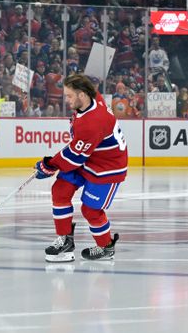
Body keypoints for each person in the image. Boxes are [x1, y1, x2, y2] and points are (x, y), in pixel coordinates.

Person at [34, 74, 128, 262]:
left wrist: (49, 165)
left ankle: (106, 246)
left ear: (82, 95)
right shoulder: (91, 99)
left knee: (91, 210)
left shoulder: (93, 122)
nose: (67, 100)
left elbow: (73, 157)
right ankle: (65, 240)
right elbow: (78, 151)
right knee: (60, 190)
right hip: (89, 157)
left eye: (70, 96)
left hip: (107, 167)